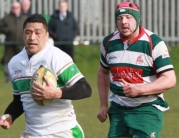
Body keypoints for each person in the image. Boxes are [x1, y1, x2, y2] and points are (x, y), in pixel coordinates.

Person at [0, 14, 92, 138]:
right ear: (23, 35)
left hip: (63, 132)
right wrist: (9, 115)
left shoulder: (57, 58)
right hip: (32, 133)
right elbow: (20, 100)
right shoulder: (15, 63)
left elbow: (85, 88)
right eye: (28, 32)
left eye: (38, 33)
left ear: (47, 35)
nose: (32, 37)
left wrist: (56, 93)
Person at [97, 2, 176, 138]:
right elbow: (103, 71)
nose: (124, 22)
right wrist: (103, 104)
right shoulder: (109, 42)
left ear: (137, 19)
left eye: (128, 17)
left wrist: (139, 90)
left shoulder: (153, 42)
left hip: (147, 108)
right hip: (118, 109)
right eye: (119, 18)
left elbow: (170, 79)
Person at [0, 1, 27, 82]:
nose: (15, 9)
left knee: (22, 61)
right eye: (14, 8)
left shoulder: (24, 18)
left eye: (17, 7)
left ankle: (23, 78)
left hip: (21, 44)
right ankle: (8, 79)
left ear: (20, 8)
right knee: (8, 61)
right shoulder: (6, 18)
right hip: (10, 45)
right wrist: (7, 30)